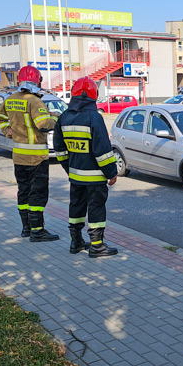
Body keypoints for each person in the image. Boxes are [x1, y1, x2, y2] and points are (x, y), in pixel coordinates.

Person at [53, 77, 119, 258]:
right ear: (93, 95)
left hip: (76, 176)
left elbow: (59, 149)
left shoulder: (64, 117)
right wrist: (111, 172)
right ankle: (97, 246)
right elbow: (103, 151)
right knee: (96, 208)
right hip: (95, 177)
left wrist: (70, 168)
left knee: (76, 207)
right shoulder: (94, 117)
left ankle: (76, 242)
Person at [0, 65, 59, 242]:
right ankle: (38, 231)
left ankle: (26, 228)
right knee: (38, 194)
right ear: (38, 81)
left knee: (23, 192)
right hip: (36, 157)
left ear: (19, 81)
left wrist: (7, 129)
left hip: (19, 156)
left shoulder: (11, 99)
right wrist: (56, 117)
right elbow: (43, 124)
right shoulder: (34, 101)